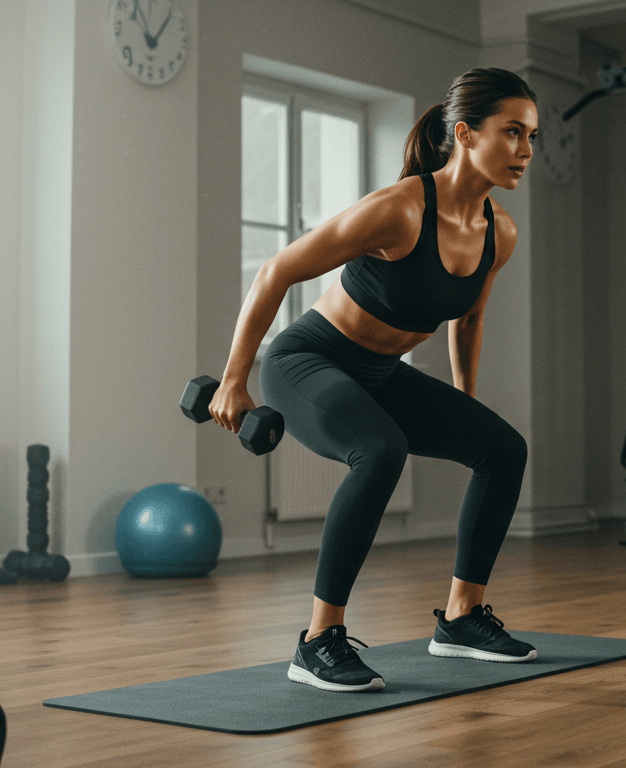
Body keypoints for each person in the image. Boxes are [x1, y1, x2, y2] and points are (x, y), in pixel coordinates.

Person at [209, 68, 539, 693]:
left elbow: (468, 318)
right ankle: (318, 640)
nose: (525, 150)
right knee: (379, 450)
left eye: (532, 136)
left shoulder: (500, 232)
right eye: (512, 132)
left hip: (382, 374)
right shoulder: (401, 209)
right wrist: (234, 380)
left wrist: (463, 403)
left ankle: (463, 619)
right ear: (465, 134)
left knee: (502, 448)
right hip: (307, 362)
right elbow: (276, 271)